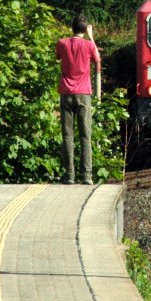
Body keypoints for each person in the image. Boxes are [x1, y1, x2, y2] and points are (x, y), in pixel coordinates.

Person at [56, 14, 101, 184]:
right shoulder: (89, 45)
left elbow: (58, 57)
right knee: (85, 135)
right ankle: (87, 176)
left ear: (72, 27)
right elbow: (97, 59)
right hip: (84, 94)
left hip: (66, 92)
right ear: (85, 29)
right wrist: (91, 37)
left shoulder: (62, 43)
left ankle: (69, 176)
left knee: (68, 135)